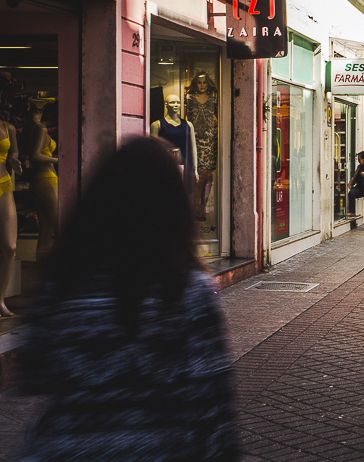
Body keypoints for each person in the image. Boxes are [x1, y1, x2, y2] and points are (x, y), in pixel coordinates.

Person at [19, 137, 238, 461]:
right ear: (170, 208)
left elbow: (35, 372)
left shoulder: (61, 286)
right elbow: (213, 406)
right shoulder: (184, 291)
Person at [185, 71, 218, 221]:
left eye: (205, 82)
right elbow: (186, 118)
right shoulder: (189, 98)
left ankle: (202, 208)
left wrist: (216, 122)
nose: (202, 85)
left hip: (210, 140)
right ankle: (194, 207)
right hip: (195, 139)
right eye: (199, 82)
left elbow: (219, 117)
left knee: (208, 175)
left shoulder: (214, 99)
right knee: (198, 174)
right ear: (195, 84)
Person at [29, 102, 59, 258]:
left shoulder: (32, 129)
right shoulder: (41, 129)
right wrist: (58, 160)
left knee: (45, 234)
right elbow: (34, 155)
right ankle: (57, 275)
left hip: (38, 182)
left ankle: (41, 276)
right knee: (61, 231)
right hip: (47, 181)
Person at [0, 118, 21, 317]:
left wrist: (14, 159)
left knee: (10, 246)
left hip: (4, 185)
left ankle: (0, 299)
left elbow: (13, 152)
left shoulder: (8, 127)